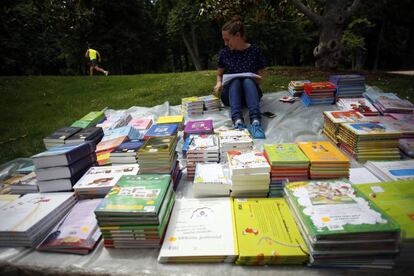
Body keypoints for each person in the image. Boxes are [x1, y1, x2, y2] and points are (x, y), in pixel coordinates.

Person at [214, 15, 266, 139]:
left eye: (227, 40)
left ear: (237, 36)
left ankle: (256, 121)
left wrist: (253, 78)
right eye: (224, 40)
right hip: (230, 96)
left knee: (247, 80)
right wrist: (218, 83)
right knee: (235, 81)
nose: (225, 43)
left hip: (251, 94)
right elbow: (219, 74)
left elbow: (261, 78)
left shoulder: (254, 51)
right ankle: (237, 121)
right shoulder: (224, 53)